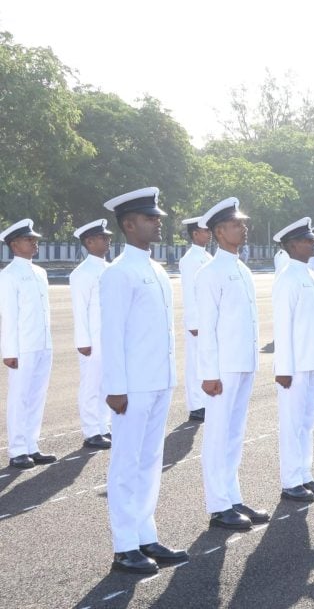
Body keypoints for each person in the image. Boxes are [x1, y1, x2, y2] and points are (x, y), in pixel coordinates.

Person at [99, 187, 188, 574]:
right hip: (132, 386)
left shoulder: (155, 268)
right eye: (150, 218)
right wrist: (115, 388)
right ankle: (124, 545)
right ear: (128, 224)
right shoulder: (119, 273)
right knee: (126, 462)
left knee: (151, 461)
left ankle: (145, 534)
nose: (157, 223)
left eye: (157, 218)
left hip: (158, 380)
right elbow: (112, 335)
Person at [196, 197, 268, 532]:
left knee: (235, 434)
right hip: (223, 367)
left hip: (243, 362)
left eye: (243, 222)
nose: (243, 227)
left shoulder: (240, 268)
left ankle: (232, 496)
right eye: (236, 224)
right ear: (218, 232)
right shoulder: (211, 272)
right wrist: (209, 374)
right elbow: (206, 329)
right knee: (217, 434)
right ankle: (218, 504)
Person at [271, 217, 314, 503]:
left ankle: (304, 474)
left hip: (313, 360)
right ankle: (291, 481)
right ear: (292, 245)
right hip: (294, 366)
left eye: (313, 240)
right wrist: (283, 369)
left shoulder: (313, 276)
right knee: (292, 423)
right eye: (308, 241)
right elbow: (282, 327)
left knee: (306, 422)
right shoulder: (287, 278)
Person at [1, 218, 55, 470]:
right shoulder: (8, 275)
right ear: (14, 245)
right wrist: (9, 352)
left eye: (35, 239)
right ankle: (17, 450)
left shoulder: (40, 272)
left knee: (37, 397)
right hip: (22, 347)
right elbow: (8, 317)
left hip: (43, 344)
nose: (34, 243)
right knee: (19, 398)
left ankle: (32, 445)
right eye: (28, 239)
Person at [69, 218, 113, 449]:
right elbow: (80, 310)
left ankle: (103, 426)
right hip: (93, 341)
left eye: (107, 237)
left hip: (109, 339)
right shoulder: (82, 273)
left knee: (106, 384)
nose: (108, 240)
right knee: (90, 386)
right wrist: (83, 342)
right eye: (102, 237)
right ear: (89, 241)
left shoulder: (109, 269)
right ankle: (90, 431)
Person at [178, 216, 212, 422]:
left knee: (206, 361)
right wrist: (193, 323)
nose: (208, 233)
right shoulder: (190, 259)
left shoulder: (206, 256)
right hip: (198, 321)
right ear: (194, 234)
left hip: (208, 319)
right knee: (195, 364)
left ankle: (205, 401)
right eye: (204, 230)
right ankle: (196, 405)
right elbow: (189, 294)